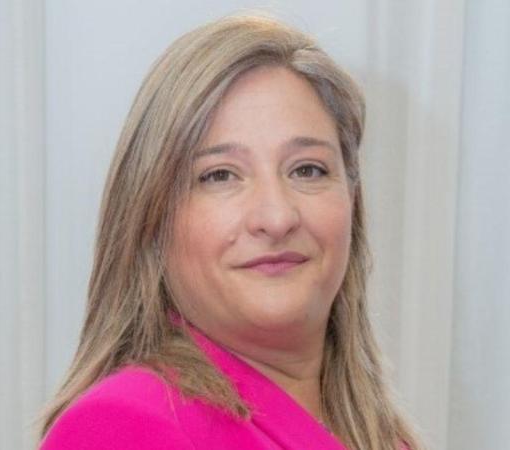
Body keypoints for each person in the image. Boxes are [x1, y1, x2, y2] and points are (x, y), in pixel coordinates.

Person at [36, 14, 421, 450]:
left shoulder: (383, 436)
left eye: (308, 169)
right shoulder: (121, 427)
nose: (277, 217)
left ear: (352, 199)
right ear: (151, 216)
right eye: (220, 175)